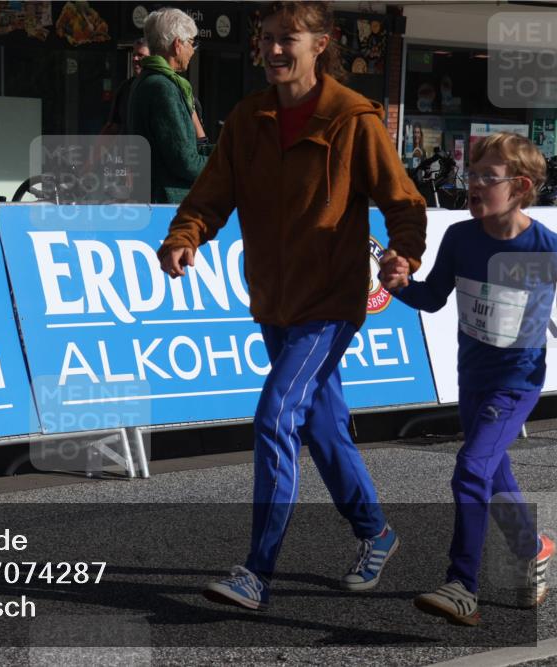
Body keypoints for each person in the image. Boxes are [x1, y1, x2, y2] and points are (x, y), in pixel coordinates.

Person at [157, 1, 427, 611]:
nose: (275, 50)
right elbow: (210, 196)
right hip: (274, 300)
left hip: (329, 302)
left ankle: (257, 571)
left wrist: (402, 254)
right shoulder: (249, 118)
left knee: (276, 416)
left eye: (289, 39)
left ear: (321, 43)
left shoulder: (354, 119)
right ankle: (376, 532)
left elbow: (403, 202)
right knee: (324, 427)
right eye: (267, 39)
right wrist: (183, 238)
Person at [380, 132, 555, 625]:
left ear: (520, 187)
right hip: (472, 377)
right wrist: (399, 286)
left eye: (487, 178)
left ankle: (462, 584)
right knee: (493, 470)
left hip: (515, 383)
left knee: (472, 469)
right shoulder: (460, 236)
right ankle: (533, 544)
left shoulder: (546, 248)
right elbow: (432, 297)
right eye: (471, 174)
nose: (473, 185)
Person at [126, 8, 207, 204]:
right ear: (177, 44)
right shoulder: (162, 87)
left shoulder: (146, 80)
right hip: (167, 204)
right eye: (191, 43)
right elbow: (185, 161)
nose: (193, 51)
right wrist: (228, 164)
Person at [101, 38, 149, 136]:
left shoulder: (163, 87)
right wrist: (96, 151)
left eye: (140, 55)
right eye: (134, 54)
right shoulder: (125, 88)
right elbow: (113, 127)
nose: (135, 58)